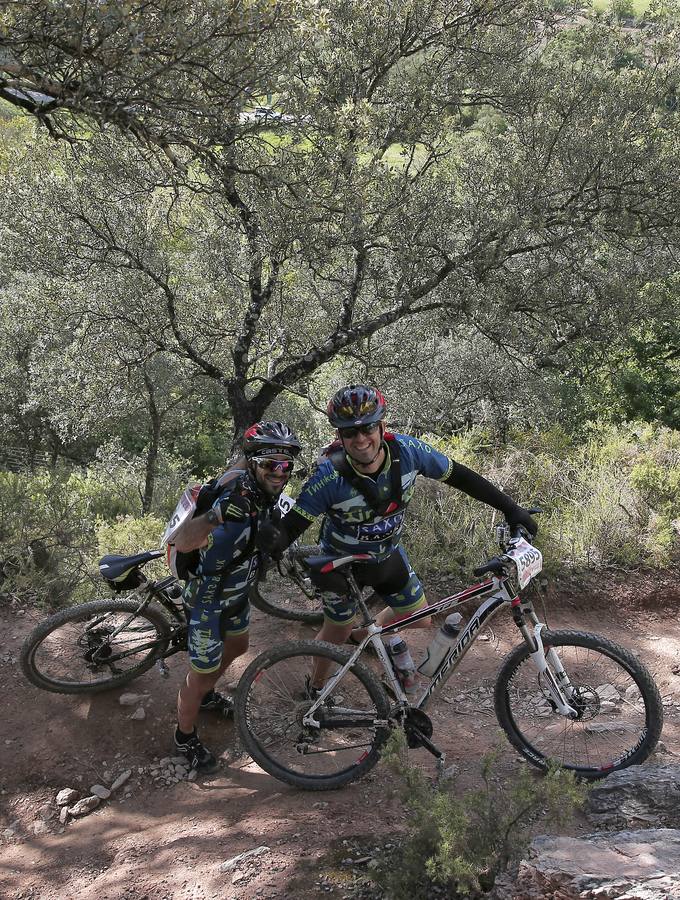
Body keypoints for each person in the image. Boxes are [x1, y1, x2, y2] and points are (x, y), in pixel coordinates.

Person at [257, 384, 537, 692]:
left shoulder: (409, 451)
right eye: (350, 433)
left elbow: (463, 477)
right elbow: (294, 526)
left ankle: (365, 636)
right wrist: (271, 540)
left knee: (418, 617)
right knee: (336, 629)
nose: (361, 439)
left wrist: (512, 509)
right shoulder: (328, 476)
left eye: (367, 428)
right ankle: (316, 688)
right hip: (341, 563)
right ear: (339, 436)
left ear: (382, 426)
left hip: (387, 554)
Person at [172, 420, 302, 772]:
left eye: (286, 465)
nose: (280, 472)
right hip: (206, 599)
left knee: (239, 645)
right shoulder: (229, 496)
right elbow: (181, 541)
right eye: (271, 464)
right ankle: (184, 735)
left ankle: (208, 695)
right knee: (200, 673)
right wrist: (215, 516)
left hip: (237, 592)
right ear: (254, 463)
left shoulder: (266, 494)